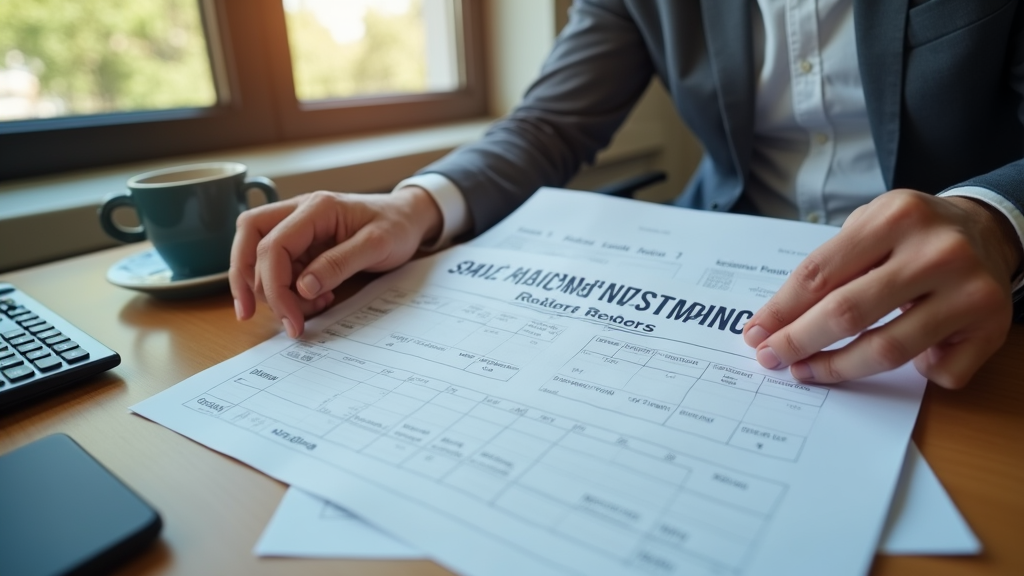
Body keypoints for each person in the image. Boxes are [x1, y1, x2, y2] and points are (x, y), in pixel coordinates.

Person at [230, 0, 1024, 389]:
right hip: (717, 284)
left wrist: (994, 219)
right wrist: (412, 206)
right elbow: (548, 125)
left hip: (968, 308)